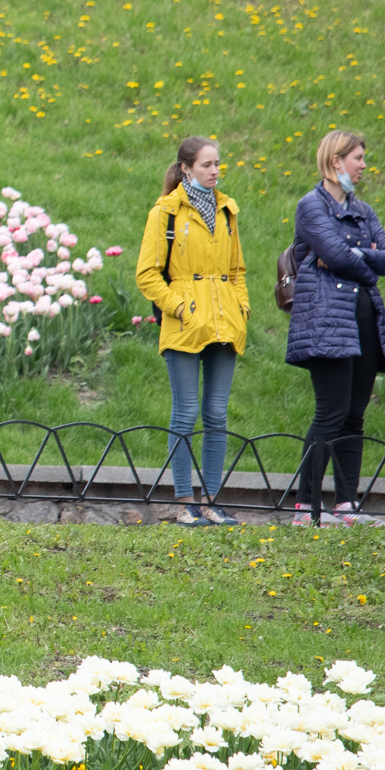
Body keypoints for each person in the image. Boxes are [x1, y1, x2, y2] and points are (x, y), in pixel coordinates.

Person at [286, 130, 385, 527]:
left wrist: (352, 254)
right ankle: (306, 507)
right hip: (326, 319)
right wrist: (354, 256)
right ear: (337, 162)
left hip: (365, 316)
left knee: (355, 414)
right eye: (358, 158)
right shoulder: (310, 206)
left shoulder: (363, 210)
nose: (364, 166)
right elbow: (332, 252)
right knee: (330, 411)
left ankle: (347, 505)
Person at [134, 137, 248, 528]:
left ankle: (213, 501)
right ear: (186, 168)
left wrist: (241, 309)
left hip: (224, 322)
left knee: (216, 415)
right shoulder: (165, 212)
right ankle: (186, 503)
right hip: (186, 323)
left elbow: (238, 272)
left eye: (218, 164)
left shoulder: (228, 210)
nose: (214, 171)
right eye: (206, 165)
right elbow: (147, 274)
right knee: (184, 414)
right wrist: (181, 307)